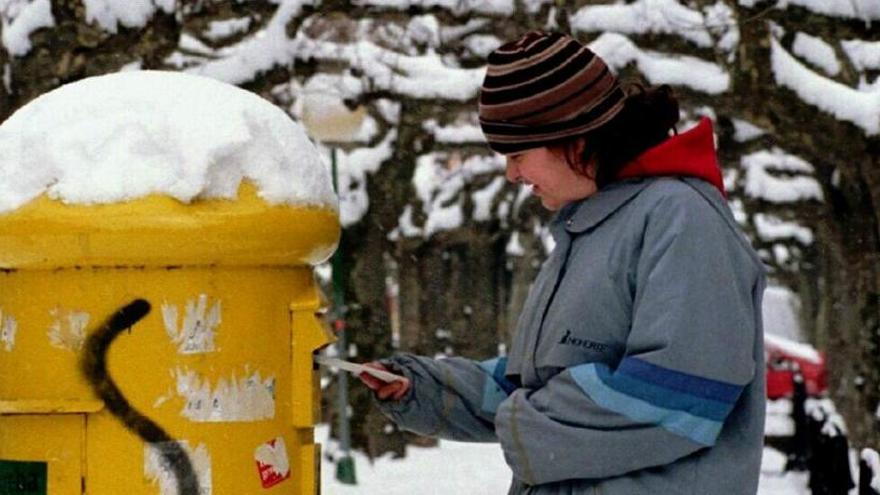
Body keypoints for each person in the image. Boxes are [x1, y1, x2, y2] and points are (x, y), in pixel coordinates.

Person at [358, 30, 767, 495]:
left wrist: (521, 420)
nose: (512, 174)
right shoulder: (591, 227)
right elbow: (536, 384)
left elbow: (678, 397)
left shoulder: (680, 218)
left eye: (517, 154)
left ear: (572, 137)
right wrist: (425, 389)